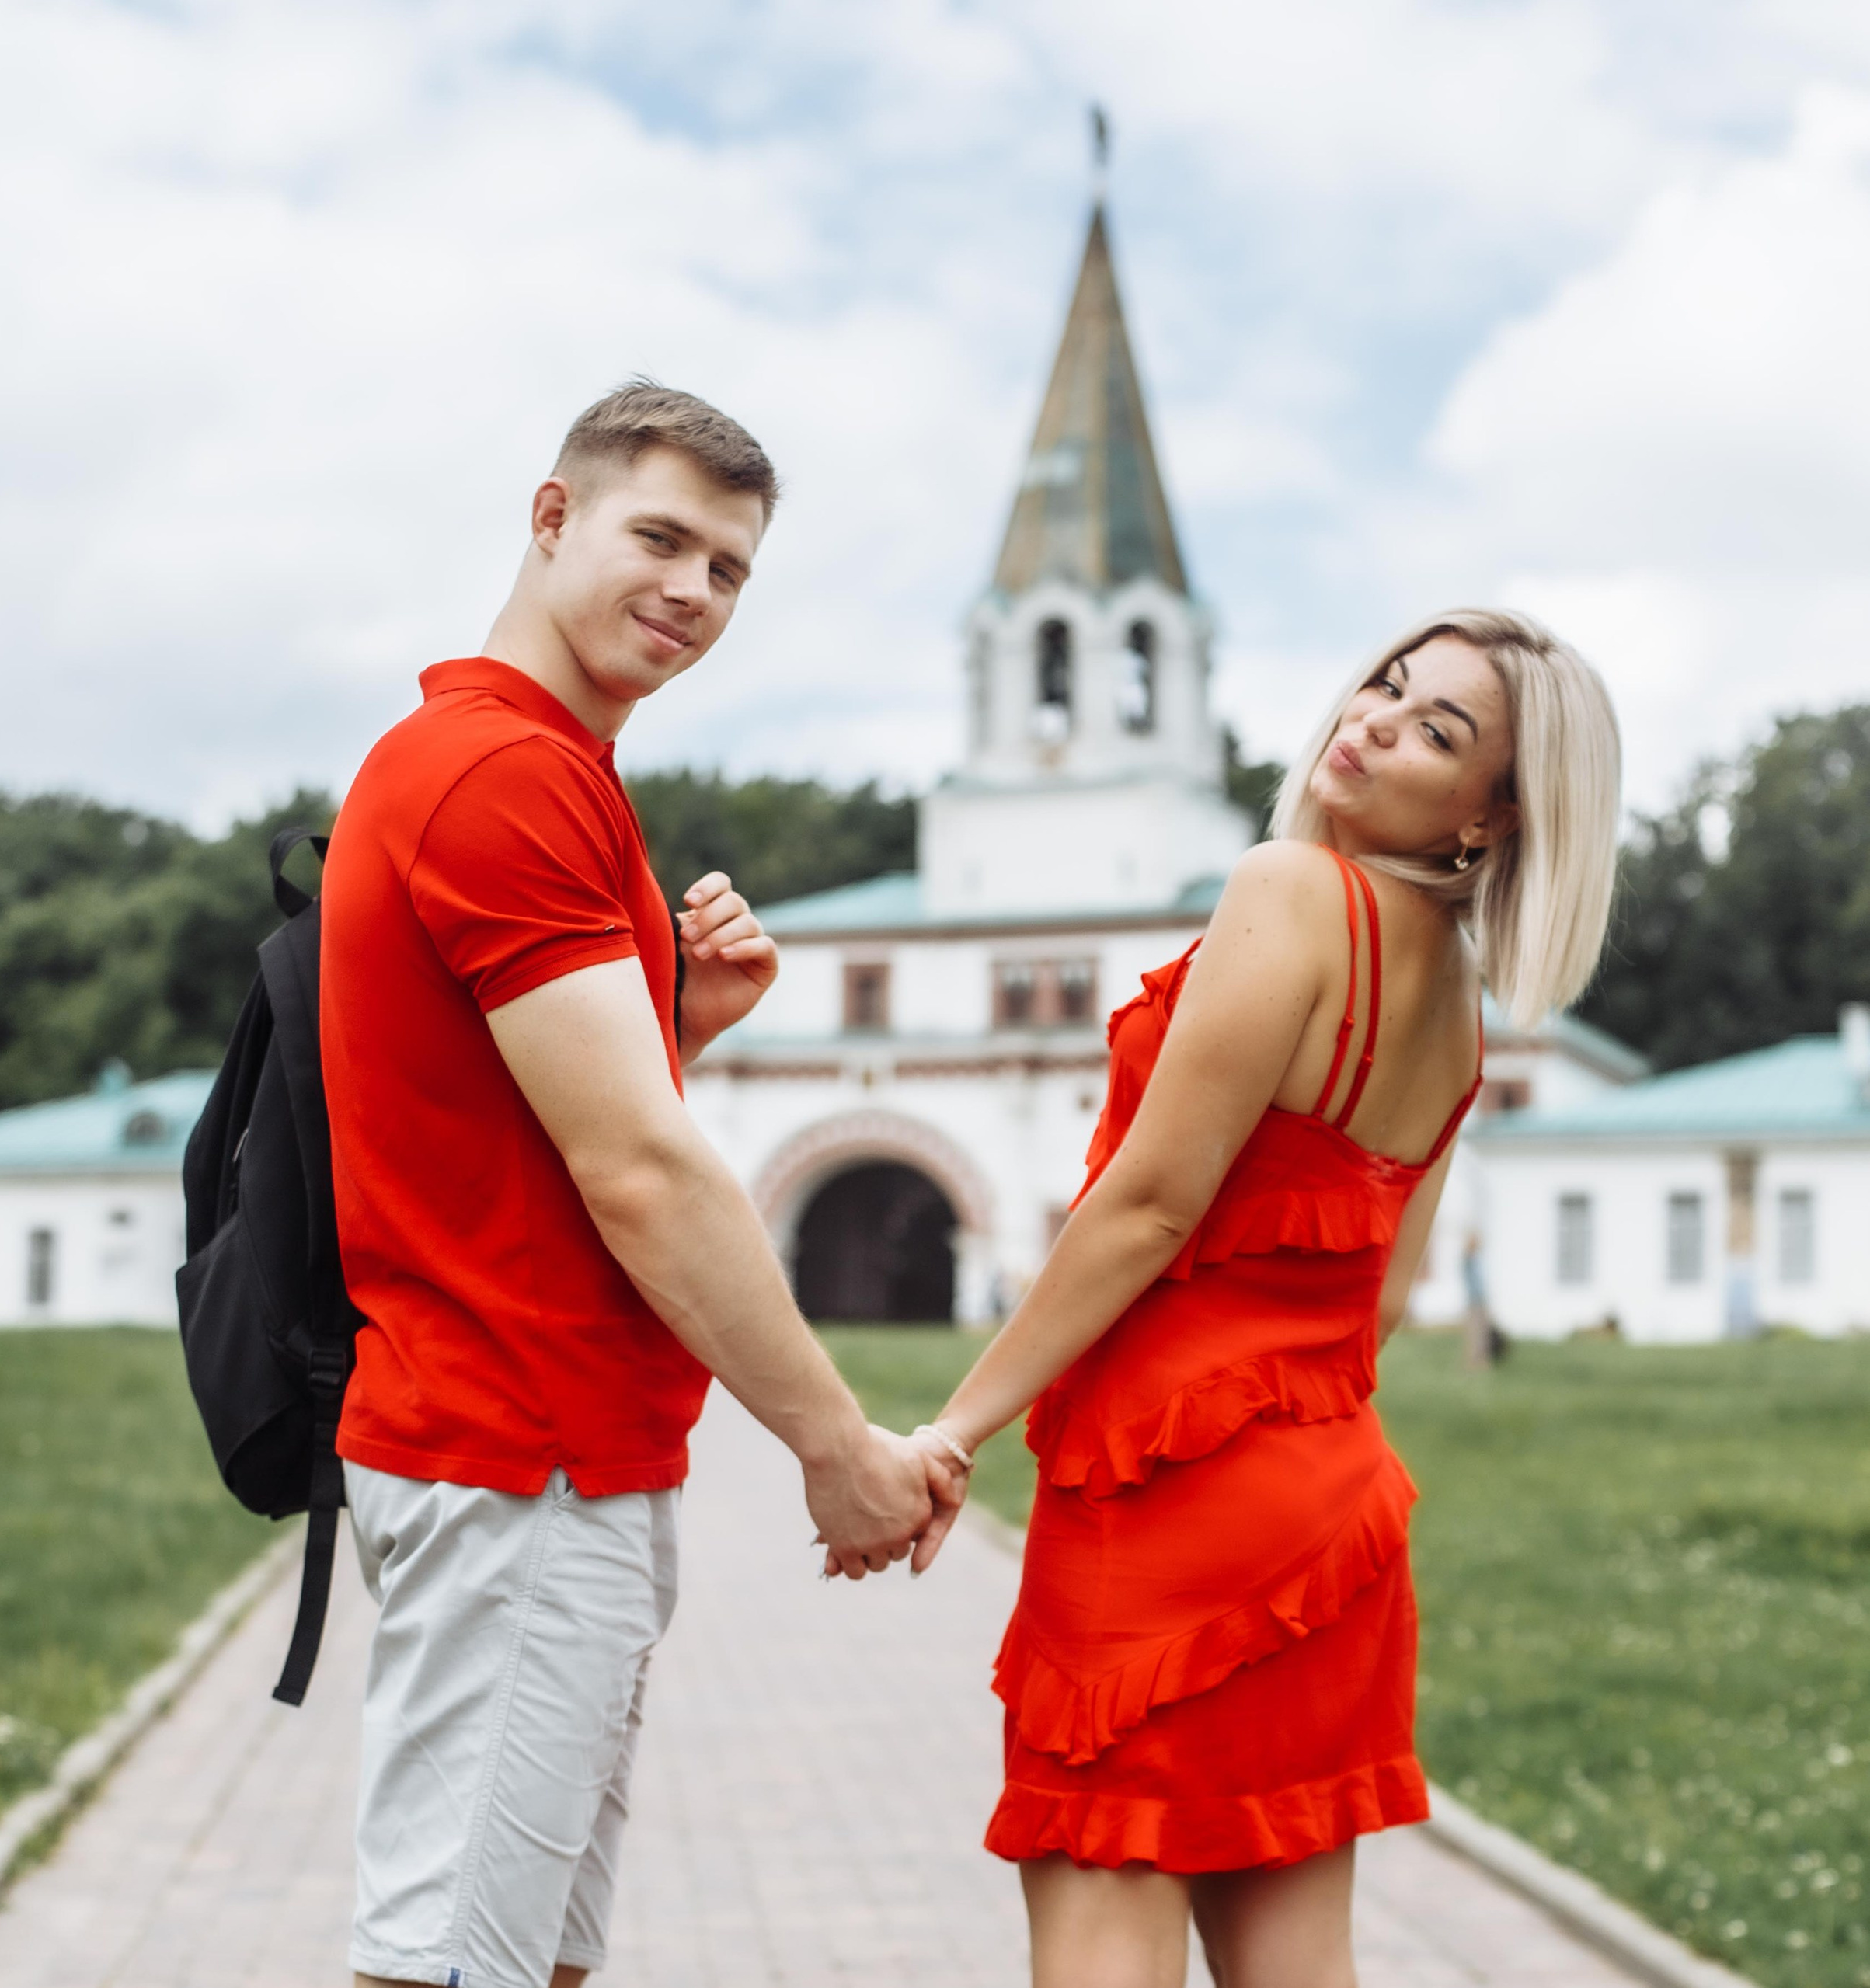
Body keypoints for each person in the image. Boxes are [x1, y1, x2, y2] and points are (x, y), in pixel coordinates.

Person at [319, 381, 958, 1988]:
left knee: (528, 1959)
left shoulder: (543, 770)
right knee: (449, 1966)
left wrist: (676, 1024)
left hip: (557, 1453)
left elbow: (527, 1127)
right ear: (551, 517)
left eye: (729, 568)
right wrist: (837, 1448)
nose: (694, 590)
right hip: (517, 1449)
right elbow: (643, 1173)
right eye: (660, 538)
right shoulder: (502, 776)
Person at [905, 610, 1621, 1988]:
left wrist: (952, 1430)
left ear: (1491, 817)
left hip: (1161, 1496)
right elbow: (1382, 1304)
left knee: (1104, 1925)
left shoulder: (1290, 889)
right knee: (1296, 1962)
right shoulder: (1457, 1009)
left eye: (1435, 732)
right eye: (1387, 684)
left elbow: (1150, 1206)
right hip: (1331, 1529)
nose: (1374, 721)